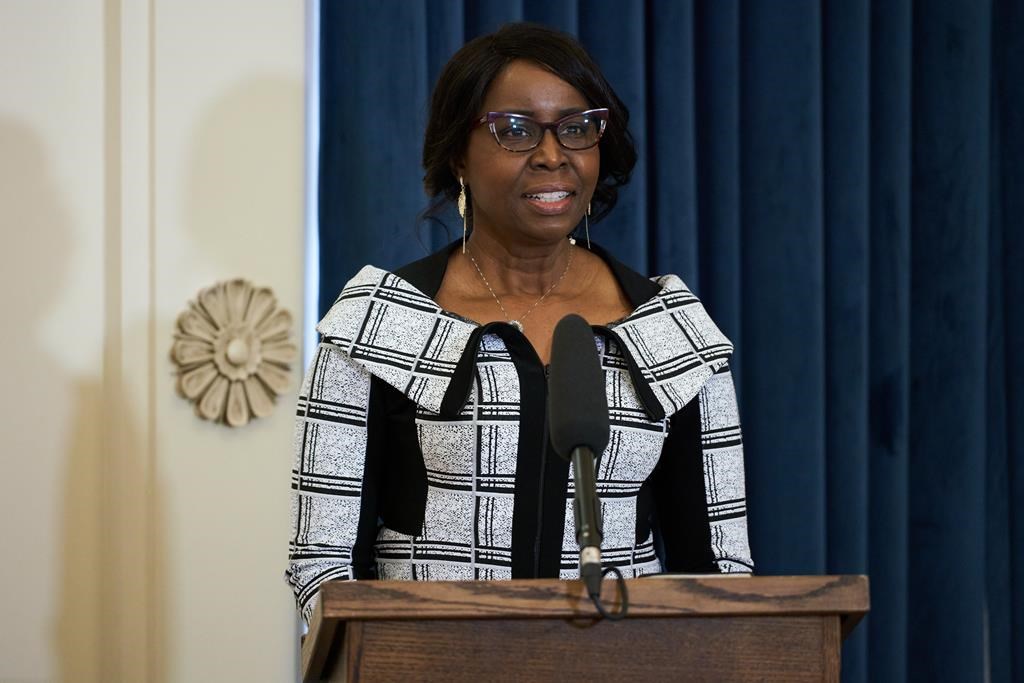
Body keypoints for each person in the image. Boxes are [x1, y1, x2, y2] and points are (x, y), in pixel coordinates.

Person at [286, 23, 752, 625]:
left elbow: (719, 570)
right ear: (458, 152)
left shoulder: (671, 328)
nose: (553, 154)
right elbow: (321, 560)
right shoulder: (380, 323)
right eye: (516, 130)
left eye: (577, 128)